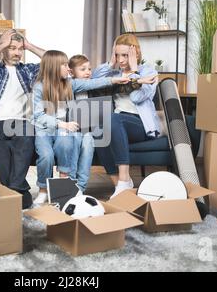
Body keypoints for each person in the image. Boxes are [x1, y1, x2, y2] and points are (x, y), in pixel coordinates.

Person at [32, 50, 130, 205]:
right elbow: (38, 116)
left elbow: (92, 83)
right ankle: (43, 190)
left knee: (68, 142)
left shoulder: (70, 84)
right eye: (64, 65)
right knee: (46, 156)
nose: (68, 68)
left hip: (64, 130)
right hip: (45, 129)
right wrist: (62, 124)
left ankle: (67, 187)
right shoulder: (39, 87)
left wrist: (115, 80)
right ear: (53, 67)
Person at [0, 29, 46, 209]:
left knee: (26, 137)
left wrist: (28, 45)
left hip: (20, 121)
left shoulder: (28, 71)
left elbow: (54, 61)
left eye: (20, 49)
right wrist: (3, 43)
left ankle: (9, 189)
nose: (17, 53)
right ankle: (18, 189)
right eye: (12, 48)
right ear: (4, 49)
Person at [94, 33, 160, 199]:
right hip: (117, 123)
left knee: (113, 119)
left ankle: (124, 180)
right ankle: (119, 185)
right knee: (98, 130)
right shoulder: (115, 74)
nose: (121, 60)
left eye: (125, 55)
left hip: (140, 124)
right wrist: (110, 63)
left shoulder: (148, 72)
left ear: (135, 54)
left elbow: (137, 97)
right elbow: (94, 80)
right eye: (117, 55)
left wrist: (135, 72)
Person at [67, 54, 111, 193]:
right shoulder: (67, 87)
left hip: (89, 130)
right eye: (83, 69)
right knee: (74, 140)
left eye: (89, 69)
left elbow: (101, 112)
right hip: (70, 129)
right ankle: (70, 182)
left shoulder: (95, 89)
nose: (88, 72)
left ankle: (81, 186)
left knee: (87, 142)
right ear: (71, 72)